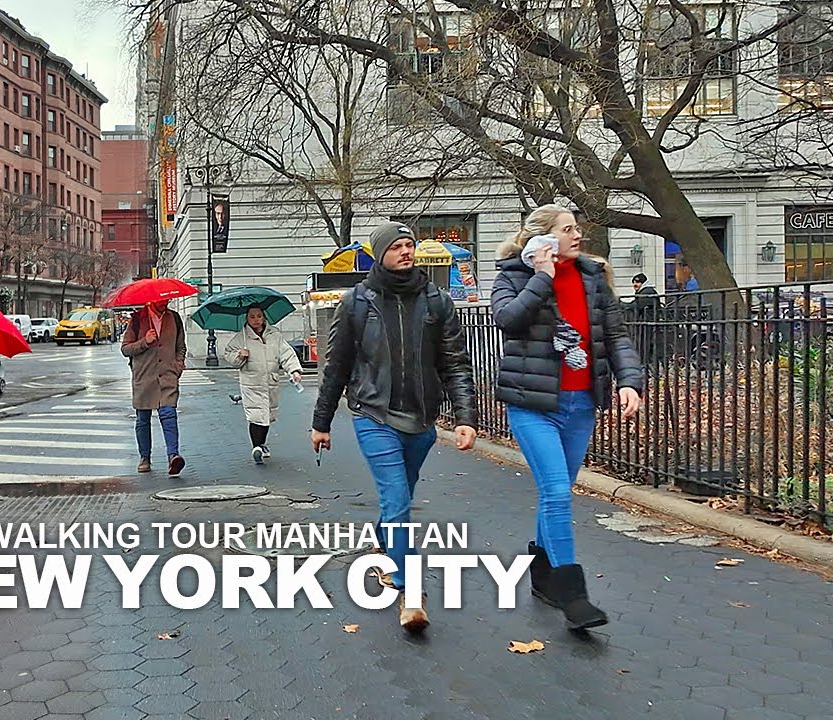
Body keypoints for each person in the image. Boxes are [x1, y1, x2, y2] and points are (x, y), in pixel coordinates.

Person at [310, 221, 478, 634]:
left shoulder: (436, 301)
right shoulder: (357, 303)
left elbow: (455, 362)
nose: (406, 252)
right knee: (398, 498)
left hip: (420, 419)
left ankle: (388, 542)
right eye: (398, 246)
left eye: (410, 245)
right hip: (374, 414)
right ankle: (410, 591)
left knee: (398, 500)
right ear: (381, 253)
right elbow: (337, 366)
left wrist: (464, 417)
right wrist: (321, 422)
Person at [491, 203, 645, 631]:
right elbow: (508, 320)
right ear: (542, 238)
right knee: (557, 491)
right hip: (534, 404)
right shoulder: (514, 276)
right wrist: (542, 276)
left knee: (556, 492)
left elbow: (615, 336)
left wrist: (629, 381)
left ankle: (540, 573)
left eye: (578, 228)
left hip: (581, 405)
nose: (577, 236)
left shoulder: (592, 277)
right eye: (567, 229)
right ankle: (573, 594)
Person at [221, 306, 303, 464]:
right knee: (256, 415)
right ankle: (256, 447)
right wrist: (239, 355)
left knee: (267, 415)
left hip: (270, 381)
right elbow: (229, 355)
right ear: (247, 318)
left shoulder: (274, 335)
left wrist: (294, 371)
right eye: (252, 316)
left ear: (264, 317)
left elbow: (286, 354)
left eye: (259, 316)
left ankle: (261, 444)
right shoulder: (241, 337)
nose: (256, 319)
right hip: (252, 382)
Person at [121, 299, 187, 476]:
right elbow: (125, 349)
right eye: (161, 300)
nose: (165, 302)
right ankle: (145, 457)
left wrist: (178, 366)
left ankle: (173, 456)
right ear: (152, 300)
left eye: (167, 299)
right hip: (144, 378)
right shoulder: (137, 319)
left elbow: (180, 347)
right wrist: (145, 341)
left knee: (169, 414)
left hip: (167, 376)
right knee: (143, 419)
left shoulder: (174, 318)